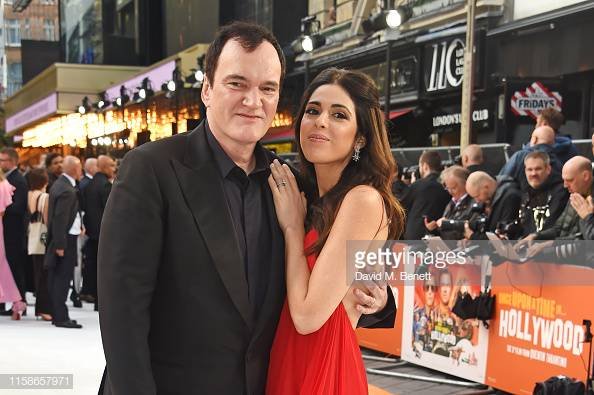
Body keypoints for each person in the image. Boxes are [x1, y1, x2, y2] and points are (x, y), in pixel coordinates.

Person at [98, 22, 395, 395]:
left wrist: (380, 299)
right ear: (207, 89)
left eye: (267, 88)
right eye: (237, 83)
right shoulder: (152, 168)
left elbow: (329, 270)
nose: (253, 101)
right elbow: (121, 311)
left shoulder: (291, 184)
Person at [266, 68, 405, 394]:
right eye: (313, 111)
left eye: (339, 114)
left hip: (324, 369)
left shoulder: (363, 200)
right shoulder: (313, 196)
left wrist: (290, 228)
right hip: (289, 359)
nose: (321, 121)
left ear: (360, 137)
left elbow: (307, 316)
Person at [45, 156, 83, 329]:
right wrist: (60, 244)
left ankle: (59, 315)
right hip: (65, 239)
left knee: (59, 277)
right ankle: (60, 317)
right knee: (62, 278)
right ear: (75, 169)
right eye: (80, 167)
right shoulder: (67, 189)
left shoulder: (60, 185)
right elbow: (60, 219)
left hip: (63, 238)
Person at [82, 155, 115, 309]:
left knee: (92, 265)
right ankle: (99, 301)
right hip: (103, 234)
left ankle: (91, 294)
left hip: (91, 232)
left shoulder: (89, 184)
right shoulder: (105, 185)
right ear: (101, 166)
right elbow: (110, 212)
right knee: (102, 268)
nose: (113, 169)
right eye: (110, 165)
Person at [0, 147, 28, 316]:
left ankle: (20, 304)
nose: (0, 163)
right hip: (6, 232)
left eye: (2, 160)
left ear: (11, 161)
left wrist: (3, 208)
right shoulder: (8, 179)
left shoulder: (18, 180)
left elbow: (19, 207)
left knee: (15, 267)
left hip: (13, 233)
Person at [401, 151, 450, 239]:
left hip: (415, 237)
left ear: (425, 166)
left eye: (420, 167)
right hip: (438, 237)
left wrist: (410, 186)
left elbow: (402, 207)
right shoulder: (447, 186)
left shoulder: (417, 185)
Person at [518, 151, 567, 236]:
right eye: (530, 169)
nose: (533, 173)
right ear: (525, 171)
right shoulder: (525, 193)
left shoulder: (561, 192)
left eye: (538, 169)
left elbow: (554, 227)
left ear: (548, 169)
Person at [499, 126, 561, 191]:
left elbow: (502, 180)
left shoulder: (519, 157)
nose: (533, 173)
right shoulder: (559, 163)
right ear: (553, 142)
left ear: (534, 139)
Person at [26, 168, 52, 321]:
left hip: (31, 236)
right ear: (45, 180)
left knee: (37, 273)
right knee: (44, 274)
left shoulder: (28, 195)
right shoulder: (44, 197)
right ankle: (43, 309)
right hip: (41, 239)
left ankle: (39, 308)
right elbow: (47, 221)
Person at [465, 171, 522, 239]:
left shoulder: (511, 198)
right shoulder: (487, 198)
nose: (477, 201)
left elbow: (502, 237)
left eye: (477, 196)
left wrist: (473, 237)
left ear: (486, 187)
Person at [424, 165, 475, 240]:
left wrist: (447, 224)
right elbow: (444, 233)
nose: (450, 192)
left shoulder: (474, 203)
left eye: (454, 188)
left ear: (466, 184)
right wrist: (433, 229)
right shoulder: (451, 203)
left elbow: (469, 229)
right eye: (447, 188)